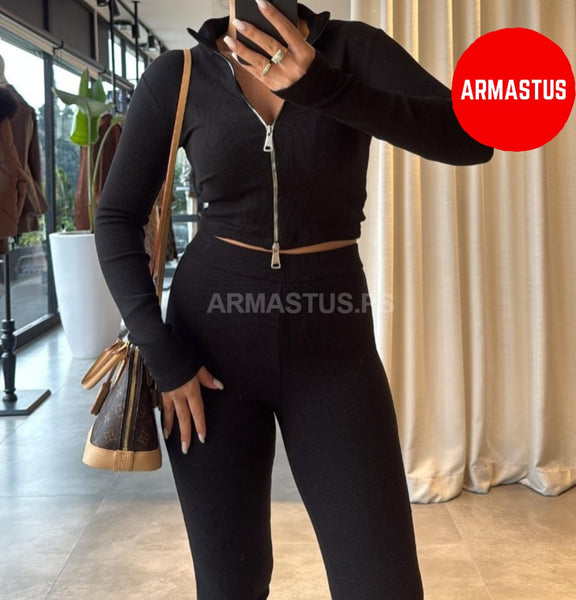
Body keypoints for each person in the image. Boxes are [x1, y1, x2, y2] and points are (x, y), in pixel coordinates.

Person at [94, 1, 493, 598]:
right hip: (207, 359)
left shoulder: (355, 51)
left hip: (335, 352)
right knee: (231, 583)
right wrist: (162, 354)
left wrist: (325, 89)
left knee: (380, 583)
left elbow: (473, 137)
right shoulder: (179, 75)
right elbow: (115, 219)